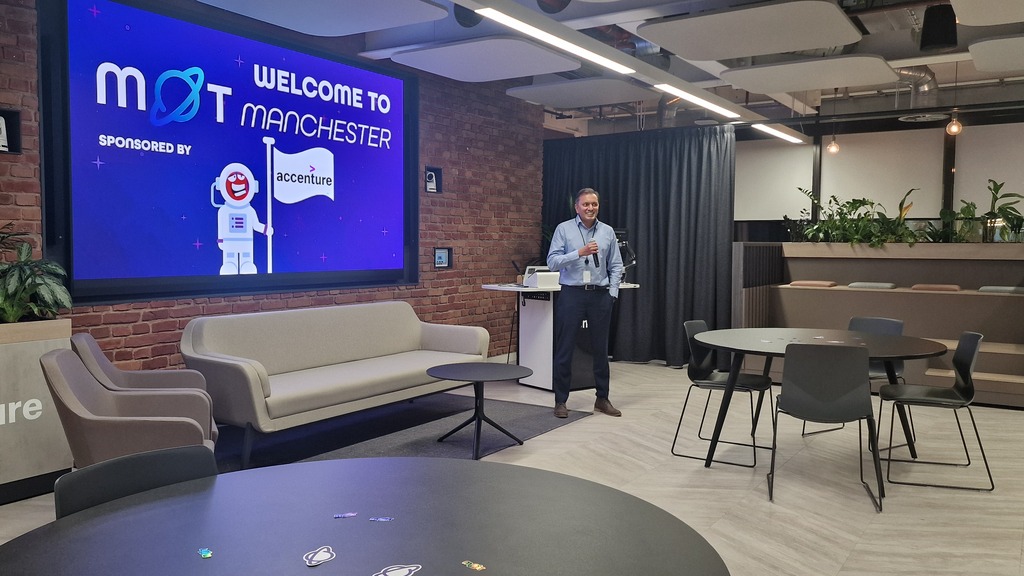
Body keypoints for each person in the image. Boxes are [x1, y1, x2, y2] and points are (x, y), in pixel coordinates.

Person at [546, 188, 624, 418]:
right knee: (565, 349)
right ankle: (561, 401)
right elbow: (552, 262)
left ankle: (602, 398)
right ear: (577, 207)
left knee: (600, 350)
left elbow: (616, 265)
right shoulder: (564, 229)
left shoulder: (607, 232)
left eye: (594, 204)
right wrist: (578, 253)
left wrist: (612, 293)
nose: (590, 208)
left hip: (600, 296)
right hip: (572, 294)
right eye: (586, 204)